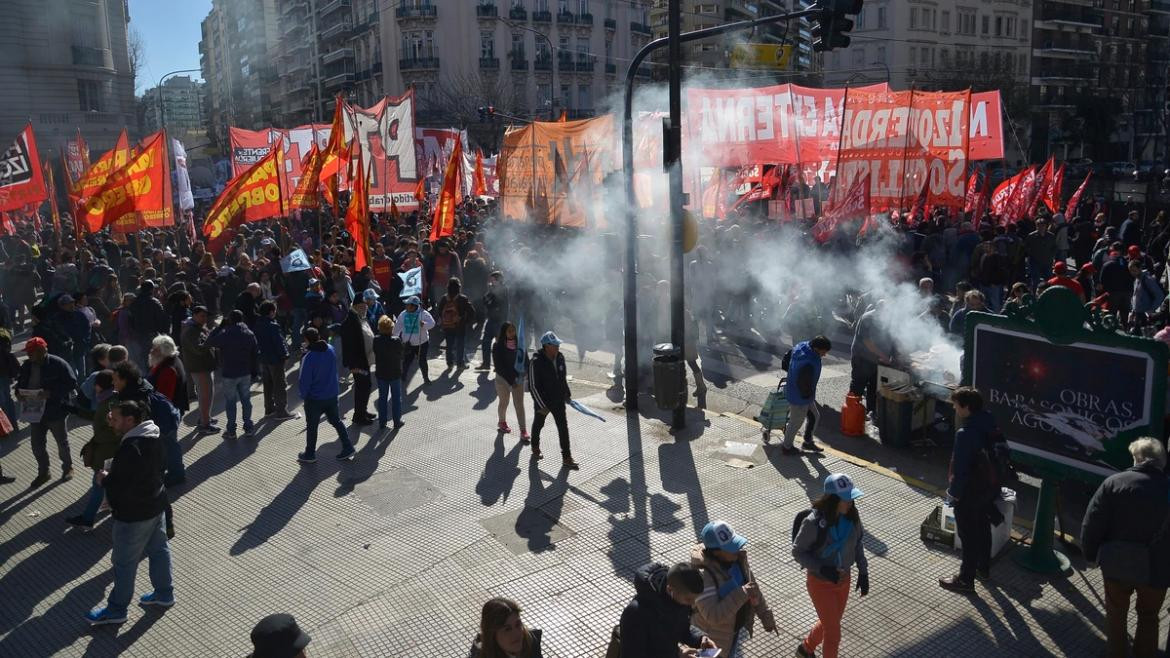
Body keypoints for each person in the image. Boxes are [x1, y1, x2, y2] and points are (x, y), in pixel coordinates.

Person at [85, 399, 175, 625]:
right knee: (159, 550)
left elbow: (122, 484)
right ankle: (164, 593)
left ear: (130, 420)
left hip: (134, 514)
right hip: (157, 504)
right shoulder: (154, 436)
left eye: (115, 418)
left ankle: (116, 609)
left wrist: (105, 479)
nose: (111, 423)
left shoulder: (130, 448)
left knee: (124, 563)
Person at [1081, 437, 1170, 658]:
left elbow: (1093, 522)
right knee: (1149, 616)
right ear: (1162, 462)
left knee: (1116, 613)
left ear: (1137, 458)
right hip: (1157, 569)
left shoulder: (1114, 483)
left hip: (1117, 562)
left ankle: (1116, 653)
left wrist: (1090, 554)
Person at [792, 473, 870, 658]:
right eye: (846, 499)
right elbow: (798, 551)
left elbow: (858, 544)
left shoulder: (852, 517)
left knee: (830, 623)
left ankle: (805, 649)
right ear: (833, 500)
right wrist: (822, 568)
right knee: (833, 633)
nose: (850, 502)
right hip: (820, 583)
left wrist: (863, 572)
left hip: (844, 580)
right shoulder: (812, 523)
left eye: (851, 498)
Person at [939, 387, 1002, 593]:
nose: (955, 410)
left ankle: (966, 579)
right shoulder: (990, 422)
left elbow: (961, 468)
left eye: (956, 406)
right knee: (983, 527)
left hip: (971, 491)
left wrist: (953, 493)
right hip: (989, 487)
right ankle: (984, 569)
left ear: (966, 407)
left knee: (968, 535)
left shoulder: (965, 434)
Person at [690, 521, 777, 655]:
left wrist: (765, 615)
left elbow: (753, 588)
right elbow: (712, 615)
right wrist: (742, 593)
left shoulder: (738, 560)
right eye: (731, 547)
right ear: (716, 552)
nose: (738, 548)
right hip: (711, 640)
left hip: (732, 633)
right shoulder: (703, 576)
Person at [619, 562, 717, 658]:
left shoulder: (679, 601)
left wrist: (700, 639)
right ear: (670, 590)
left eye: (695, 598)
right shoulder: (636, 614)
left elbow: (682, 627)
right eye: (689, 599)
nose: (693, 603)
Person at [17, 336, 77, 487]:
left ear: (42, 350)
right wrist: (19, 393)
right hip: (34, 412)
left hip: (55, 410)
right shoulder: (27, 366)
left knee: (62, 442)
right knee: (37, 444)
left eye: (32, 352)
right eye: (28, 352)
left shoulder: (58, 364)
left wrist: (51, 393)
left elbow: (71, 383)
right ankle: (44, 472)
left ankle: (68, 467)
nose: (29, 355)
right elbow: (20, 382)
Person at [65, 369, 120, 531]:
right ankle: (89, 518)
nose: (94, 387)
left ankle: (89, 519)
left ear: (100, 386)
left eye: (95, 384)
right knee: (104, 485)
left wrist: (96, 440)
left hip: (107, 452)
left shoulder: (109, 403)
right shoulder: (110, 400)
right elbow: (99, 418)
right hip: (109, 451)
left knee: (100, 484)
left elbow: (112, 430)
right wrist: (77, 411)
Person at [297, 327, 355, 463]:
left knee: (312, 425)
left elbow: (304, 380)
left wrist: (303, 395)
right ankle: (348, 446)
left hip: (314, 398)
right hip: (332, 394)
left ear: (306, 340)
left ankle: (310, 454)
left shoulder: (309, 357)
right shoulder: (330, 349)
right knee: (336, 421)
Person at [528, 331, 577, 470]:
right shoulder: (535, 361)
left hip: (558, 399)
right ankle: (535, 446)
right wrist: (541, 404)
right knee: (539, 424)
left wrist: (566, 394)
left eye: (557, 344)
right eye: (555, 345)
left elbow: (562, 378)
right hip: (543, 401)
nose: (557, 347)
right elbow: (532, 385)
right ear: (546, 346)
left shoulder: (560, 357)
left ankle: (567, 457)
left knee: (563, 427)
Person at [206, 309, 258, 440]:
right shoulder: (249, 333)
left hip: (229, 372)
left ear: (229, 320)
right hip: (245, 372)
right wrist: (255, 371)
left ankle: (231, 430)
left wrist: (219, 328)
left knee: (230, 402)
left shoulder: (226, 333)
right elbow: (255, 352)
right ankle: (248, 427)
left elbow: (209, 342)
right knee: (246, 400)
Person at [147, 335, 189, 486]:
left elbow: (164, 397)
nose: (151, 351)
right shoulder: (169, 362)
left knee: (170, 445)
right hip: (170, 410)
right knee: (168, 444)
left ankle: (177, 473)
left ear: (163, 351)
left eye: (155, 349)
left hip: (167, 414)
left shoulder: (169, 369)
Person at [782, 336, 831, 456]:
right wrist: (807, 396)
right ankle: (786, 447)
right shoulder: (810, 360)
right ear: (816, 348)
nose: (824, 355)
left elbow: (787, 360)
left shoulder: (802, 346)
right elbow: (803, 382)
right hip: (800, 396)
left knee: (815, 416)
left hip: (800, 392)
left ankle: (808, 442)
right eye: (823, 352)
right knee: (795, 423)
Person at [254, 301, 297, 420]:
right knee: (279, 385)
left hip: (263, 359)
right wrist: (285, 355)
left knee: (268, 384)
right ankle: (282, 411)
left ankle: (269, 408)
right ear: (271, 312)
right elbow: (279, 343)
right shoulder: (273, 326)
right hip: (275, 359)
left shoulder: (257, 324)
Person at [848, 300, 892, 415]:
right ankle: (851, 411)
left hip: (876, 360)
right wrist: (884, 356)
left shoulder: (885, 319)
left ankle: (870, 412)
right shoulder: (868, 318)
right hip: (863, 358)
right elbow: (868, 343)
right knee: (858, 385)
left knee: (873, 387)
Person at [180, 306, 219, 433]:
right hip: (199, 367)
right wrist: (211, 338)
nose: (205, 319)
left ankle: (204, 418)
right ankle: (204, 424)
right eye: (202, 316)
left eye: (206, 316)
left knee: (207, 394)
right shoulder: (191, 331)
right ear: (194, 316)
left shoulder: (198, 327)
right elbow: (198, 349)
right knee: (205, 395)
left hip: (204, 366)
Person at [338, 297, 376, 424]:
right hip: (358, 364)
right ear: (355, 306)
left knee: (366, 386)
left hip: (365, 361)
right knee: (362, 387)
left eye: (366, 305)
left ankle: (362, 411)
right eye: (362, 305)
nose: (365, 307)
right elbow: (348, 347)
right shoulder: (350, 322)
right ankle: (359, 416)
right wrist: (352, 365)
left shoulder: (360, 317)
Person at [470, 598, 544, 658]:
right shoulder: (480, 655)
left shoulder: (531, 642)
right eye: (507, 629)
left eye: (518, 624)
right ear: (492, 635)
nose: (516, 634)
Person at [492, 321, 528, 441]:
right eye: (510, 331)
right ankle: (502, 422)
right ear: (504, 332)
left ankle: (523, 431)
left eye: (514, 330)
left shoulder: (520, 344)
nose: (512, 333)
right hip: (502, 380)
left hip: (518, 380)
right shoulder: (497, 346)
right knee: (504, 402)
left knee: (519, 405)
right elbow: (499, 367)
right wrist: (512, 380)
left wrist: (523, 375)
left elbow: (525, 361)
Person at [371, 315, 405, 432]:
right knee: (396, 398)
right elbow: (401, 354)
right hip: (394, 373)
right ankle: (396, 421)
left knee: (382, 398)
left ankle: (382, 421)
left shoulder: (376, 340)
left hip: (381, 373)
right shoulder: (396, 340)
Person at [394, 295, 435, 384]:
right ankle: (403, 376)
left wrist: (424, 324)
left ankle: (426, 378)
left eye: (408, 304)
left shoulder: (423, 313)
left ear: (414, 306)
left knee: (422, 361)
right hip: (408, 343)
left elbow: (432, 323)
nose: (406, 306)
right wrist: (395, 338)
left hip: (422, 343)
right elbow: (397, 327)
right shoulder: (403, 314)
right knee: (406, 361)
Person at [436, 277, 475, 368]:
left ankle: (449, 363)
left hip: (448, 326)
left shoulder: (444, 298)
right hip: (460, 326)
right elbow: (472, 312)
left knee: (449, 344)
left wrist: (444, 320)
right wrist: (466, 321)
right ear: (459, 287)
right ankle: (460, 363)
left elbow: (439, 311)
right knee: (460, 345)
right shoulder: (463, 298)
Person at [479, 271, 509, 370]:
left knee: (499, 345)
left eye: (493, 280)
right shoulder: (493, 289)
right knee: (486, 341)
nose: (491, 282)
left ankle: (499, 365)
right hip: (492, 319)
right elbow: (485, 300)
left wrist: (490, 294)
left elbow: (491, 301)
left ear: (498, 280)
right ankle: (486, 363)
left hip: (499, 320)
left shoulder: (502, 290)